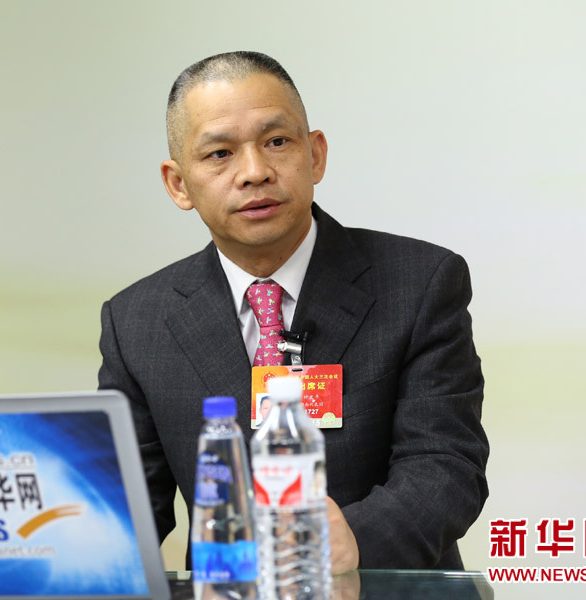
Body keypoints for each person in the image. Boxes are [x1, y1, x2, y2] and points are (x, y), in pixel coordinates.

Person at [98, 51, 488, 571]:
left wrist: (348, 540)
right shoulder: (137, 322)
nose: (255, 172)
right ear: (178, 184)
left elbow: (446, 467)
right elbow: (126, 511)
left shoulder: (419, 283)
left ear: (316, 155)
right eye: (219, 153)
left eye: (277, 142)